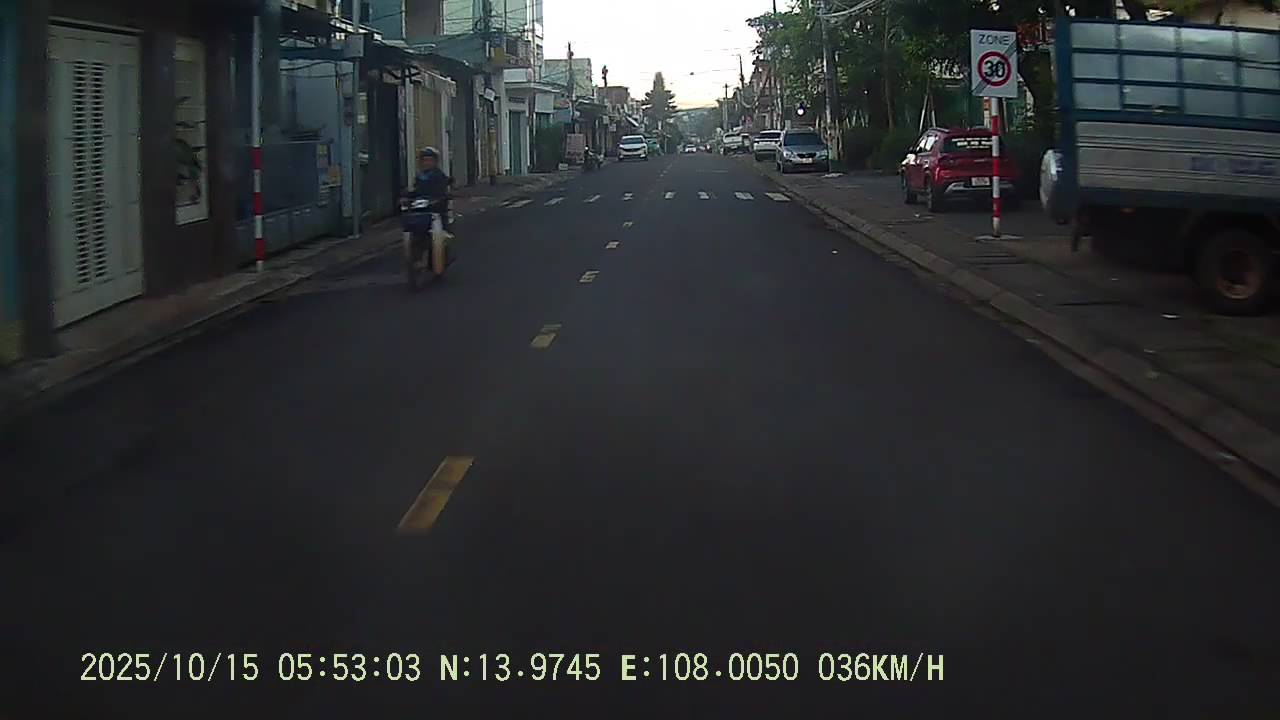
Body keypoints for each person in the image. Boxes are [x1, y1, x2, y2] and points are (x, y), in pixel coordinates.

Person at [410, 147, 452, 229]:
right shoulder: (419, 176)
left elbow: (443, 187)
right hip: (421, 209)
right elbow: (416, 190)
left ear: (435, 162)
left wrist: (442, 197)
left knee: (439, 228)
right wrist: (407, 196)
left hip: (436, 210)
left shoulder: (439, 175)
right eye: (424, 160)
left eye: (430, 160)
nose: (427, 163)